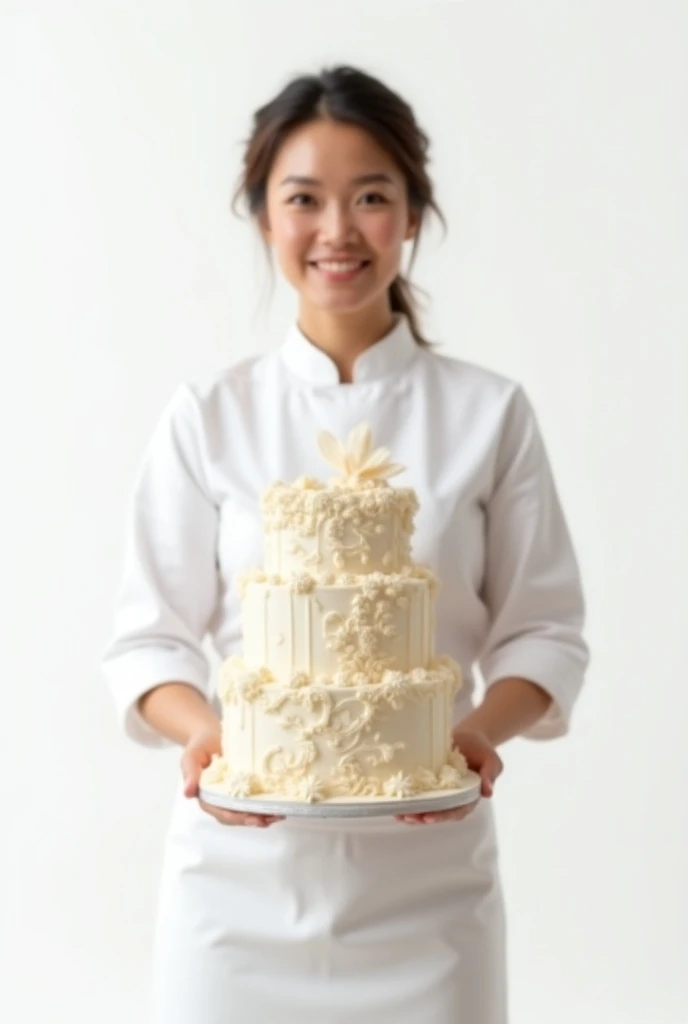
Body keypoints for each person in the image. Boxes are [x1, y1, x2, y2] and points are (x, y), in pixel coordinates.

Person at [102, 64, 589, 1024]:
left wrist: (474, 735)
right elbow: (147, 638)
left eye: (371, 197)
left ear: (412, 214)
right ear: (263, 219)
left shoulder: (488, 413)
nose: (338, 230)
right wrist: (209, 738)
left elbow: (545, 633)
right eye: (304, 199)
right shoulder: (209, 415)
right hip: (235, 883)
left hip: (428, 877)